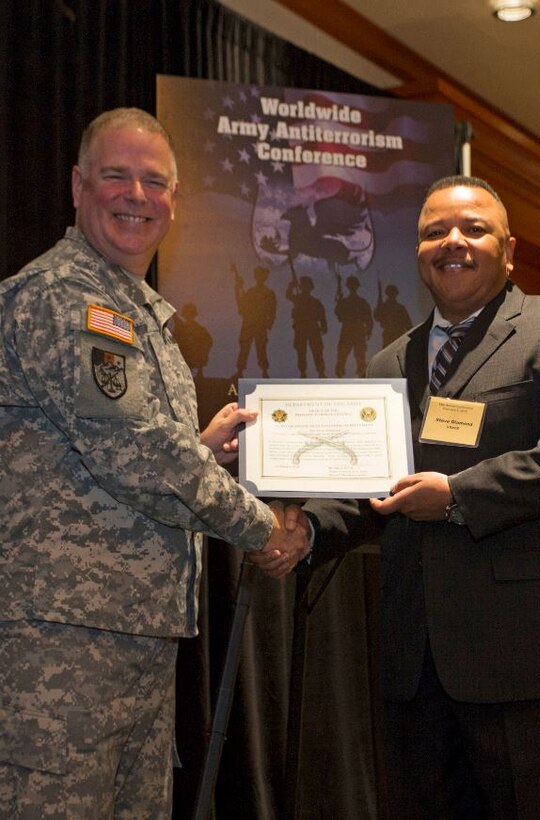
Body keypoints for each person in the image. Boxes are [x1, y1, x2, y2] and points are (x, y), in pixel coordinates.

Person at [0, 107, 309, 819]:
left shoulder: (136, 310)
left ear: (174, 200)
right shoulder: (65, 296)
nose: (135, 195)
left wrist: (198, 449)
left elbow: (118, 448)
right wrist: (262, 526)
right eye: (116, 176)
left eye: (153, 180)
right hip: (60, 642)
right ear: (78, 186)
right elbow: (135, 449)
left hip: (129, 633)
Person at [265, 176, 540, 818]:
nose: (452, 242)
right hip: (415, 661)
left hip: (527, 664)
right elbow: (371, 487)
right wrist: (307, 532)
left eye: (473, 229)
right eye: (434, 231)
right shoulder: (390, 362)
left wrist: (458, 495)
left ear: (510, 248)